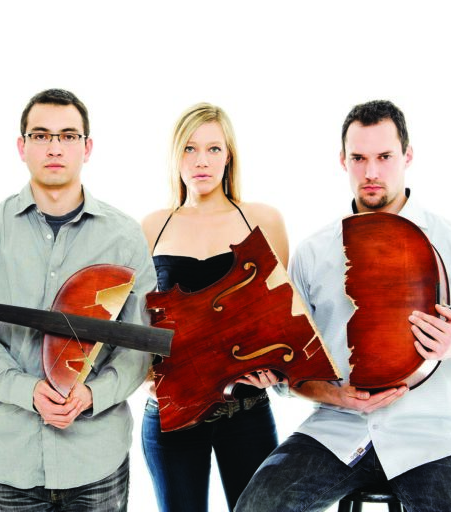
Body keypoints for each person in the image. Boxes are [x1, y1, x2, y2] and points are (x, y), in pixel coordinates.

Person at [236, 100, 451, 512]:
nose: (371, 172)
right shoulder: (314, 252)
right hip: (334, 430)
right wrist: (337, 396)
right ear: (343, 161)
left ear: (407, 156)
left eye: (384, 157)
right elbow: (291, 375)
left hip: (432, 438)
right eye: (359, 158)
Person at [0, 88, 156, 512]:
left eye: (68, 136)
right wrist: (27, 390)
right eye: (40, 135)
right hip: (13, 461)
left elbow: (141, 341)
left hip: (96, 460)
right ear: (21, 146)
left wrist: (93, 393)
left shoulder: (124, 235)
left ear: (87, 147)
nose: (54, 147)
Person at [141, 102, 289, 512]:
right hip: (172, 414)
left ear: (229, 156)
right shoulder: (152, 226)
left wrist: (273, 371)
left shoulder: (263, 220)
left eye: (213, 149)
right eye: (189, 149)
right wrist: (144, 378)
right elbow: (136, 326)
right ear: (175, 156)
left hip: (246, 410)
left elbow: (280, 321)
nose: (201, 161)